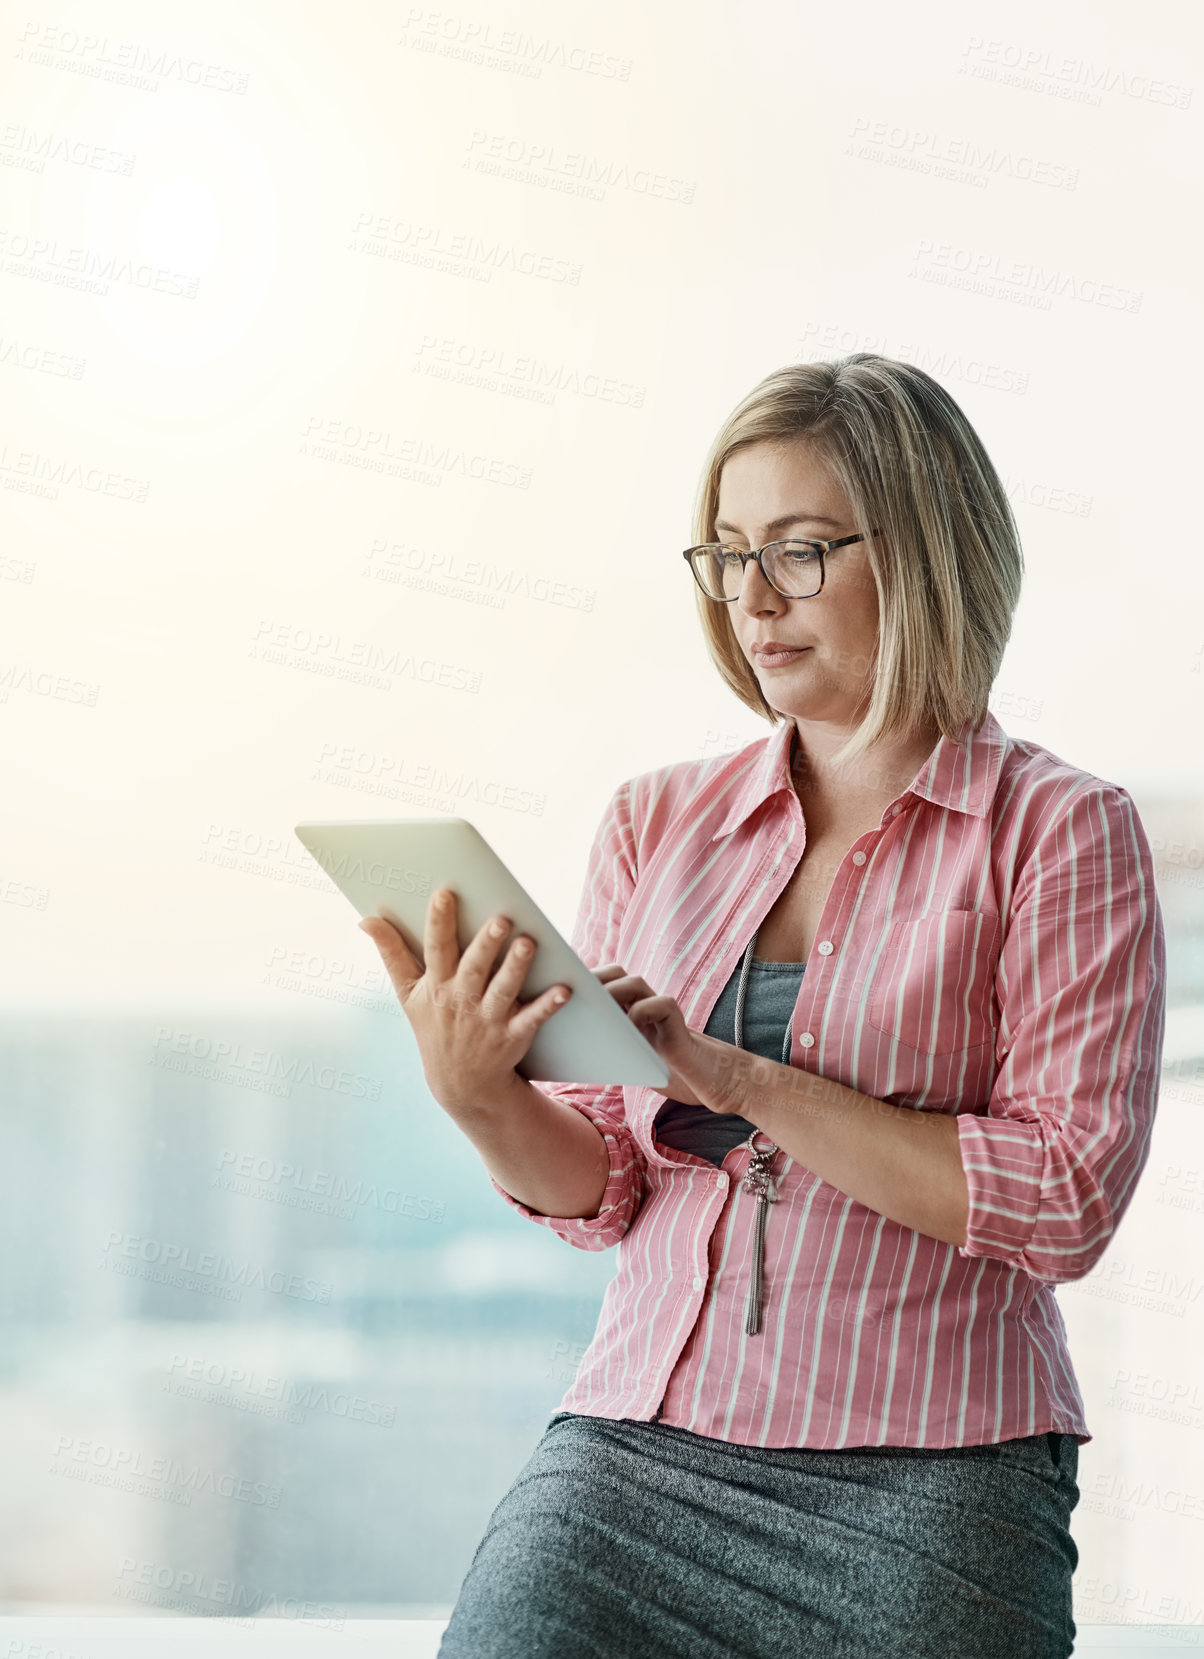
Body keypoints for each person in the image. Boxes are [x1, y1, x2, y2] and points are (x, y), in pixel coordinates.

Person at [360, 353, 1167, 1659]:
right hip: (638, 1452)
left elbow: (1064, 1199)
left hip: (938, 1471)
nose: (750, 597)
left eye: (797, 551)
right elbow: (607, 1185)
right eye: (726, 553)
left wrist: (739, 1078)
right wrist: (477, 1098)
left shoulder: (1062, 831)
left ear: (922, 553)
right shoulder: (654, 821)